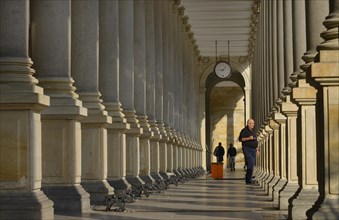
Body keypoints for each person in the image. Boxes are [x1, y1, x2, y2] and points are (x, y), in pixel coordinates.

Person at [238, 119, 259, 185]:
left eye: (253, 123)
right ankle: (248, 180)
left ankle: (249, 179)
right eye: (252, 123)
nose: (253, 125)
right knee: (250, 163)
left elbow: (255, 141)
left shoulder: (252, 131)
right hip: (247, 149)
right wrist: (249, 138)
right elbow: (241, 139)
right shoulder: (244, 130)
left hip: (253, 150)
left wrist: (257, 149)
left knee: (251, 164)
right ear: (248, 124)